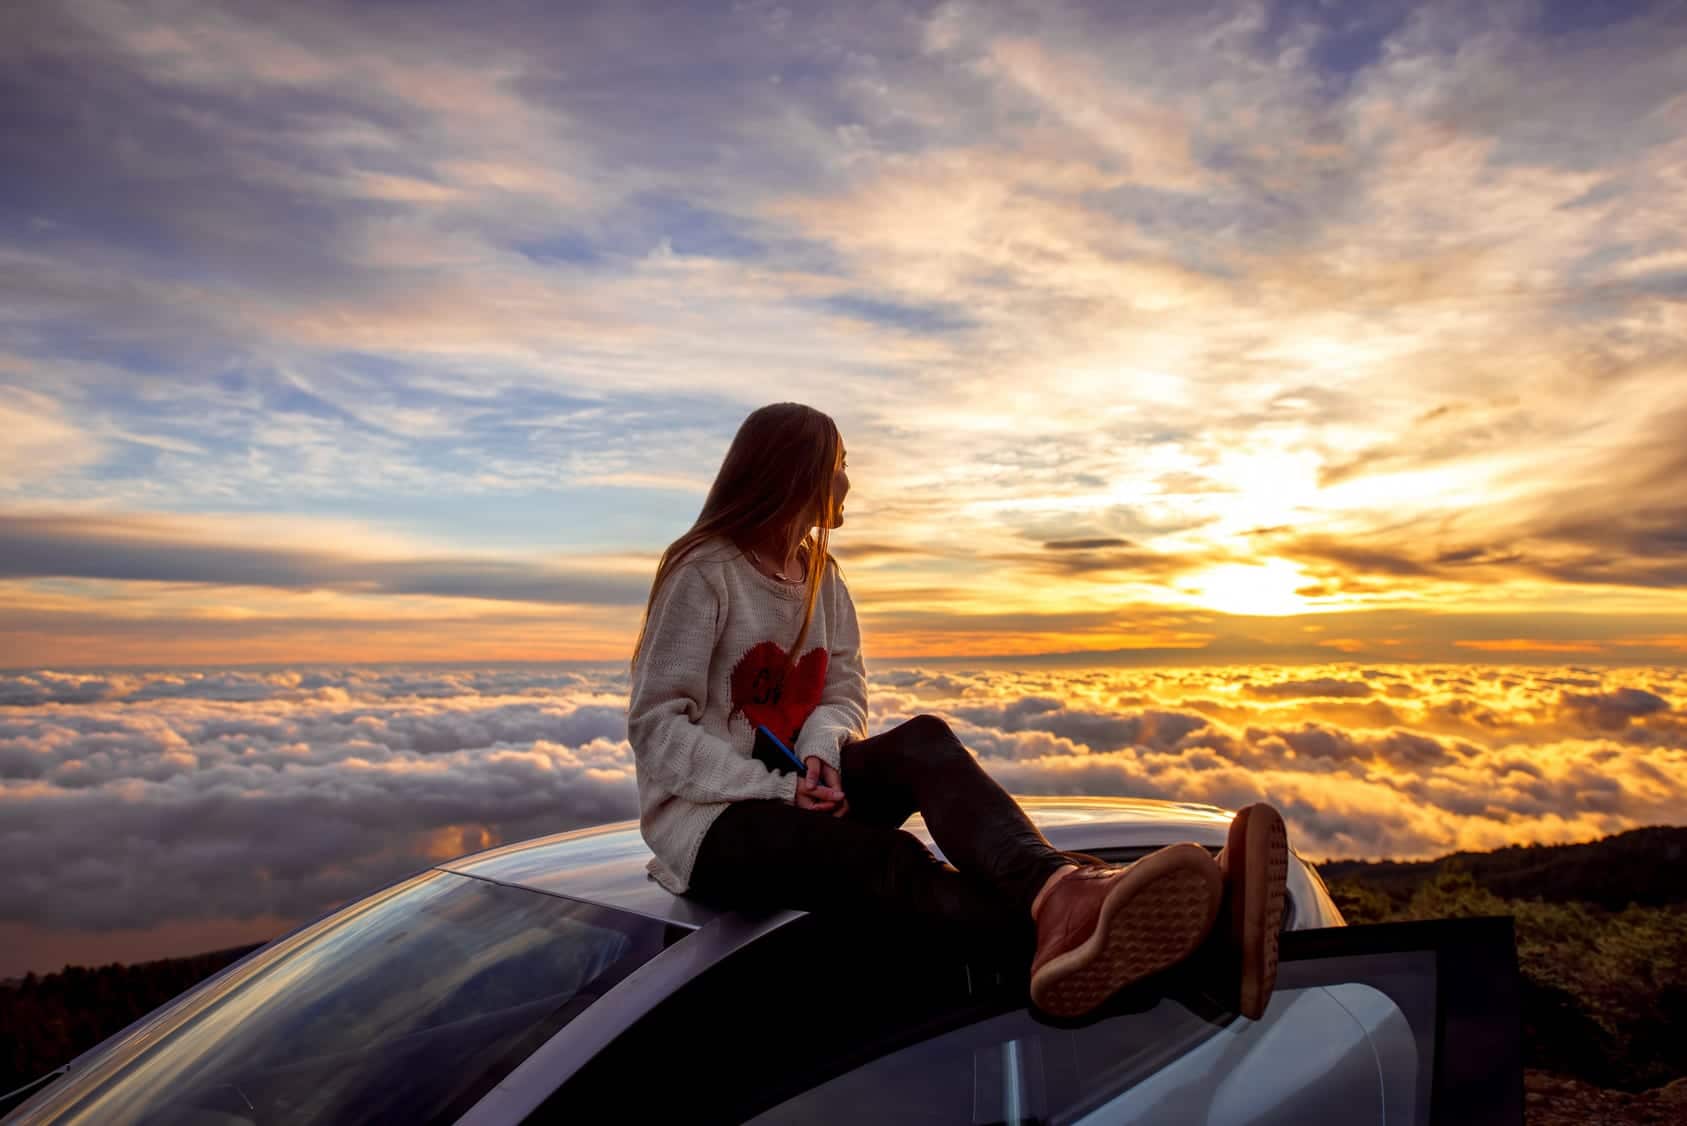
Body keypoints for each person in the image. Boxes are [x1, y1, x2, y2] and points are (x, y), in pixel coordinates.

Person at [627, 402, 1288, 1019]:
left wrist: (821, 760)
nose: (849, 483)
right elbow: (657, 725)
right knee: (885, 861)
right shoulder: (704, 571)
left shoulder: (823, 578)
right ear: (796, 474)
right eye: (840, 466)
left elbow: (840, 691)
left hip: (800, 788)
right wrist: (772, 785)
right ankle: (1183, 943)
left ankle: (1062, 891)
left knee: (924, 742)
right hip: (711, 824)